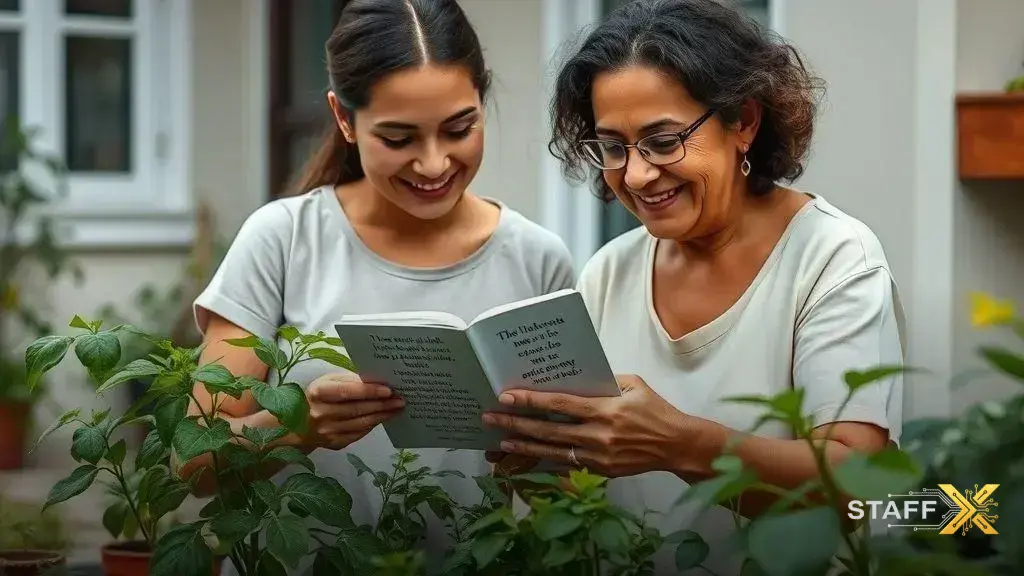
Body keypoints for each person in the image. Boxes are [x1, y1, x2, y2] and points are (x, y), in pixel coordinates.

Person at [482, 0, 905, 573]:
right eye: (612, 147)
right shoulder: (609, 272)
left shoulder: (833, 259)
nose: (635, 174)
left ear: (744, 122)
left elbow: (859, 490)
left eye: (663, 140)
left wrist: (679, 444)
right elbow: (584, 500)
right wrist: (539, 459)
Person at [178, 0, 575, 568]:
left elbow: (557, 491)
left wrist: (532, 456)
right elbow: (194, 467)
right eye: (399, 138)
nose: (434, 164)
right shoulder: (283, 240)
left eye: (460, 128)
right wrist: (296, 426)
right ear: (344, 118)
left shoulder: (538, 259)